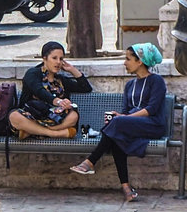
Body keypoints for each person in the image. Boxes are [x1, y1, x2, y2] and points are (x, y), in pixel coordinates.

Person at [70, 43, 168, 202]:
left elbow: (151, 109)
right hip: (132, 125)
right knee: (116, 138)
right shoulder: (130, 85)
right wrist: (120, 116)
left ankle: (90, 162)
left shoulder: (156, 81)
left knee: (117, 126)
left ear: (140, 61)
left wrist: (123, 119)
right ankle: (126, 188)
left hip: (153, 125)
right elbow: (126, 110)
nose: (125, 63)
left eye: (128, 59)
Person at [7, 41, 92, 139]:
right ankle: (54, 134)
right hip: (32, 116)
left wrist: (72, 69)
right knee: (14, 116)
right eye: (54, 58)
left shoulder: (60, 80)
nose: (58, 62)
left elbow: (86, 88)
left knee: (73, 116)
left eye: (61, 59)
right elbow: (39, 91)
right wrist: (58, 101)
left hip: (55, 119)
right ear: (44, 59)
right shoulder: (32, 74)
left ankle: (33, 131)